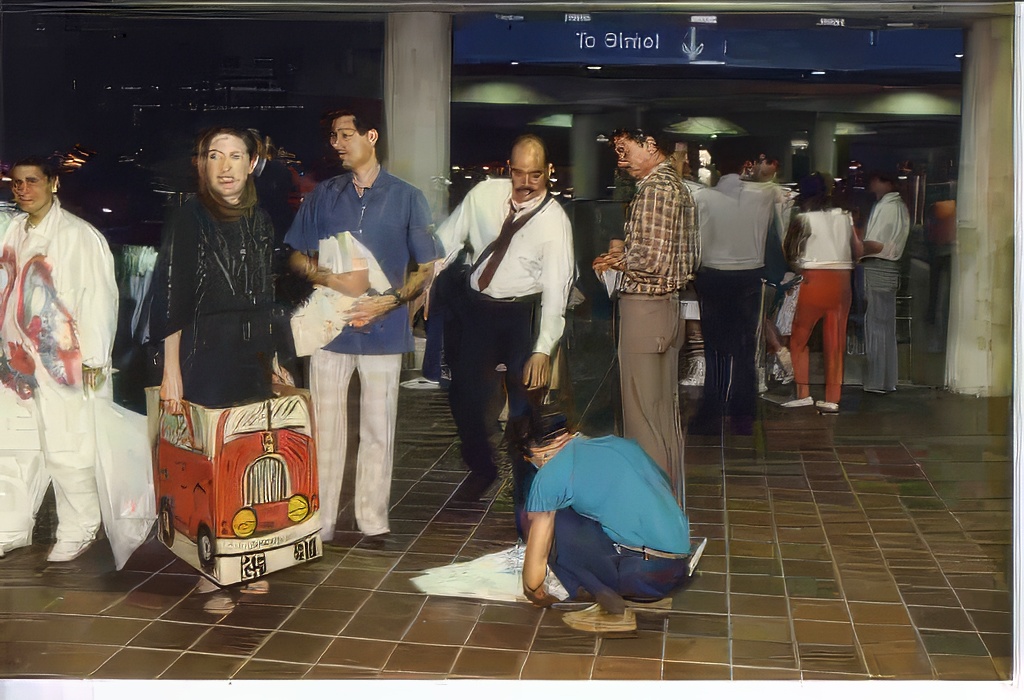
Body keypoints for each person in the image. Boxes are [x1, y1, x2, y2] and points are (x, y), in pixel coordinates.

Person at [284, 109, 437, 540]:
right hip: (329, 328)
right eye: (333, 135)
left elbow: (425, 266)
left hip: (384, 330)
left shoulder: (408, 197)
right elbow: (296, 254)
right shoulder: (323, 195)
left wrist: (387, 303)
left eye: (346, 134)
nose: (337, 143)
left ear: (371, 136)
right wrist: (328, 278)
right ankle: (322, 523)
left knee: (377, 430)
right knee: (326, 430)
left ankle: (372, 521)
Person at [434, 134, 575, 505]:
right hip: (479, 309)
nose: (525, 184)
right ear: (508, 169)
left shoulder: (555, 223)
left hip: (523, 314)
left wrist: (543, 350)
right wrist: (423, 279)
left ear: (549, 173)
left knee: (525, 408)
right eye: (518, 173)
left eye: (535, 175)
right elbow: (445, 241)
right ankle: (482, 467)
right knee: (463, 396)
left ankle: (527, 487)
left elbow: (556, 293)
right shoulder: (483, 196)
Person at [0, 157, 118, 561]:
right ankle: (11, 527)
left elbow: (99, 300)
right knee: (14, 448)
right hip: (16, 365)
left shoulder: (79, 236)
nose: (23, 190)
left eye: (32, 181)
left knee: (70, 449)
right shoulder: (13, 231)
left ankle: (80, 527)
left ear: (53, 184)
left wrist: (96, 363)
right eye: (17, 183)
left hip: (64, 364)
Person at [520, 421, 706, 633]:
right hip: (677, 570)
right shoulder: (620, 445)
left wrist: (535, 594)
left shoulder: (550, 473)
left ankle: (613, 610)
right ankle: (644, 600)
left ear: (536, 453)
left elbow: (534, 578)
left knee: (559, 521)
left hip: (641, 574)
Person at [156, 127, 291, 414]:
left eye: (235, 156)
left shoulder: (261, 220)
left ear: (252, 163)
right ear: (203, 163)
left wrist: (274, 360)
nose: (225, 167)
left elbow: (267, 293)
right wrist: (170, 373)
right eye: (215, 156)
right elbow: (171, 296)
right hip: (204, 355)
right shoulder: (189, 218)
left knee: (250, 445)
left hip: (253, 356)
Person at [593, 127, 697, 482]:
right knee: (664, 417)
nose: (621, 160)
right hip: (669, 306)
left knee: (642, 420)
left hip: (644, 307)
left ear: (650, 144)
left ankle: (648, 510)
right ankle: (668, 502)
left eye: (625, 150)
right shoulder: (677, 186)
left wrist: (613, 259)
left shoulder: (654, 188)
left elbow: (649, 256)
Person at [688, 142, 777, 435]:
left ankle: (711, 412)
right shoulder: (763, 197)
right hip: (749, 275)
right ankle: (742, 415)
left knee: (714, 348)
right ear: (746, 165)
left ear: (715, 164)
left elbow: (696, 240)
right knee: (744, 347)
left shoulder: (703, 198)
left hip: (712, 275)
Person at [781, 173, 862, 413]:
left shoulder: (803, 218)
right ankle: (832, 398)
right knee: (835, 339)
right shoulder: (844, 217)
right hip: (842, 281)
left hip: (814, 279)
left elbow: (790, 251)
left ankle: (803, 392)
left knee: (799, 336)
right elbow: (857, 249)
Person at [859, 172, 910, 394]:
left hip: (879, 266)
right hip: (889, 269)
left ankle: (876, 381)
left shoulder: (887, 207)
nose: (871, 183)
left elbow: (875, 244)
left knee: (877, 324)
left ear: (885, 181)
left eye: (874, 178)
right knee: (886, 326)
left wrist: (854, 250)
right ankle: (888, 380)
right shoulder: (899, 206)